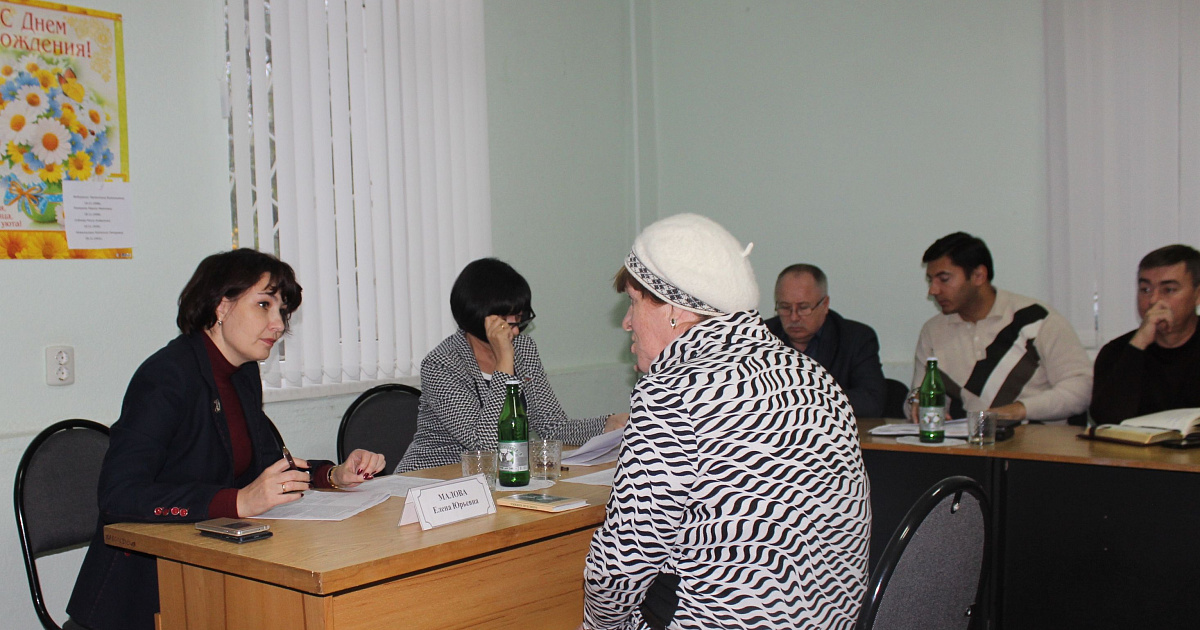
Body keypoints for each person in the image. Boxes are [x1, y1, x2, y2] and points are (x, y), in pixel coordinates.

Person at [67, 249, 386, 630]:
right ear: (221, 306)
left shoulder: (242, 373)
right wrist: (238, 501)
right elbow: (119, 496)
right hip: (143, 591)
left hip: (212, 573)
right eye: (264, 305)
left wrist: (332, 475)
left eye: (282, 311)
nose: (279, 324)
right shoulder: (166, 376)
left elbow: (265, 467)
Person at [582, 214, 869, 630]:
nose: (627, 322)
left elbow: (621, 566)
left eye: (634, 302)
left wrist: (596, 625)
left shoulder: (672, 391)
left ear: (675, 310)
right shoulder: (817, 378)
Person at [396, 258, 627, 472]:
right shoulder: (442, 364)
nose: (515, 330)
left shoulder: (524, 349)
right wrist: (505, 361)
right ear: (477, 315)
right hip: (436, 478)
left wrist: (606, 425)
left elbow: (552, 426)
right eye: (507, 321)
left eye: (519, 318)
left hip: (499, 478)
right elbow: (485, 446)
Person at [912, 232, 1092, 422]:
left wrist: (1020, 409)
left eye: (944, 279)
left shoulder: (1036, 320)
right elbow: (919, 395)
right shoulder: (933, 331)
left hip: (1041, 435)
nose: (933, 290)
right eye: (930, 280)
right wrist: (916, 402)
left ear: (979, 276)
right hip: (971, 438)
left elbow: (1081, 388)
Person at [1091, 244, 1200, 423]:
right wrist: (1139, 343)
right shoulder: (1117, 352)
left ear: (1197, 295)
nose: (1153, 300)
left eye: (1169, 290)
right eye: (1145, 290)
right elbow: (1106, 420)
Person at [764, 263, 886, 417]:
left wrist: (807, 398)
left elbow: (872, 402)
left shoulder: (856, 338)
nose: (794, 317)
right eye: (785, 307)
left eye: (803, 307)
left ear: (825, 304)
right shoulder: (760, 337)